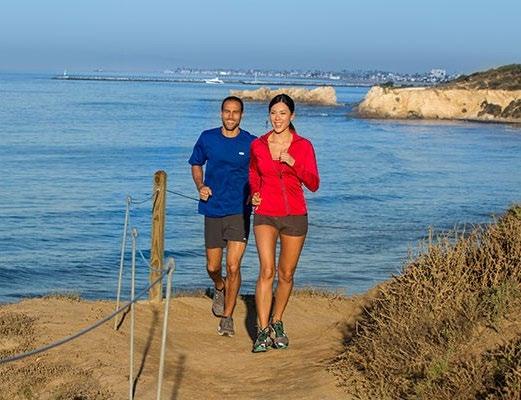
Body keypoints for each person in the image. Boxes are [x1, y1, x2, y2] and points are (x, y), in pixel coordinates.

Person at [249, 94, 320, 352]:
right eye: (273, 113)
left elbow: (314, 183)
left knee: (286, 274)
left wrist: (294, 163)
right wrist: (254, 192)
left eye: (282, 113)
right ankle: (262, 330)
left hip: (295, 215)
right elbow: (253, 173)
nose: (277, 118)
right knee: (266, 271)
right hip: (265, 213)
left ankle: (277, 321)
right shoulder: (258, 144)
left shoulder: (303, 145)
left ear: (292, 116)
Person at [188, 96, 256, 337]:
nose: (230, 116)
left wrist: (255, 192)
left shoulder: (251, 142)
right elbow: (196, 163)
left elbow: (259, 172)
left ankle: (227, 317)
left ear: (241, 115)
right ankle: (219, 286)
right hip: (213, 208)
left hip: (239, 210)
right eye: (227, 111)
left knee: (233, 266)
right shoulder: (207, 138)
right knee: (213, 266)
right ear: (221, 113)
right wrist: (200, 186)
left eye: (235, 112)